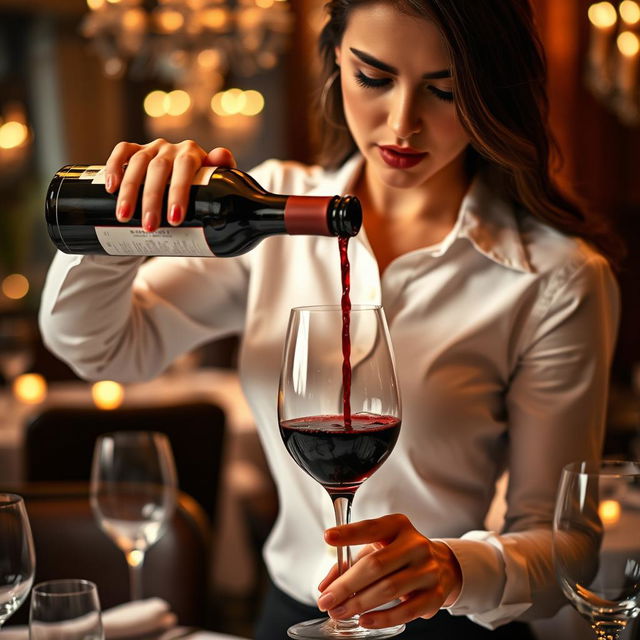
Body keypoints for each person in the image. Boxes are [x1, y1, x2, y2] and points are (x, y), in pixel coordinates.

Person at [39, 1, 621, 638]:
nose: (403, 124)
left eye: (446, 91)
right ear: (336, 61)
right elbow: (100, 350)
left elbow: (564, 542)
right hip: (289, 616)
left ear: (492, 93)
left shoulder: (556, 277)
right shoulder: (266, 210)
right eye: (374, 78)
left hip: (453, 625)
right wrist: (126, 219)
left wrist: (453, 568)